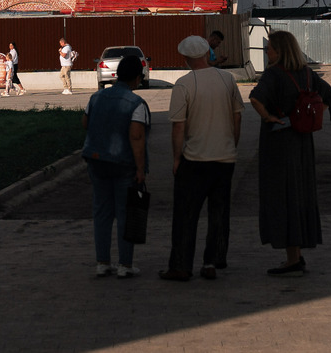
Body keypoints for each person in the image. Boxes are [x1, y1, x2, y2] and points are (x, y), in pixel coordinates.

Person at [249, 29, 331, 276]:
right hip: (302, 142)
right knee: (300, 194)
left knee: (281, 196)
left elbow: (255, 99)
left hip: (279, 143)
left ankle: (292, 258)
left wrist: (270, 118)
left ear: (279, 50)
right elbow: (329, 94)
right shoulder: (307, 73)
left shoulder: (274, 74)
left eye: (269, 48)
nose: (267, 52)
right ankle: (296, 254)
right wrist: (310, 117)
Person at [159, 35, 241, 283]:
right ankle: (212, 261)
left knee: (186, 214)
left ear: (185, 58)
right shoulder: (227, 79)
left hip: (194, 159)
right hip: (225, 158)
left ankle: (181, 265)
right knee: (219, 213)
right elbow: (237, 116)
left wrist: (176, 157)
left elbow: (178, 127)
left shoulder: (184, 84)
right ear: (207, 53)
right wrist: (231, 144)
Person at [83, 48, 150, 277]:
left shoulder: (96, 97)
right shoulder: (137, 103)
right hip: (124, 164)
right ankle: (125, 265)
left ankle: (102, 262)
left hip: (96, 160)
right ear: (137, 77)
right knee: (125, 213)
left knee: (101, 212)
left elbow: (85, 122)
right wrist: (141, 169)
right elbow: (137, 137)